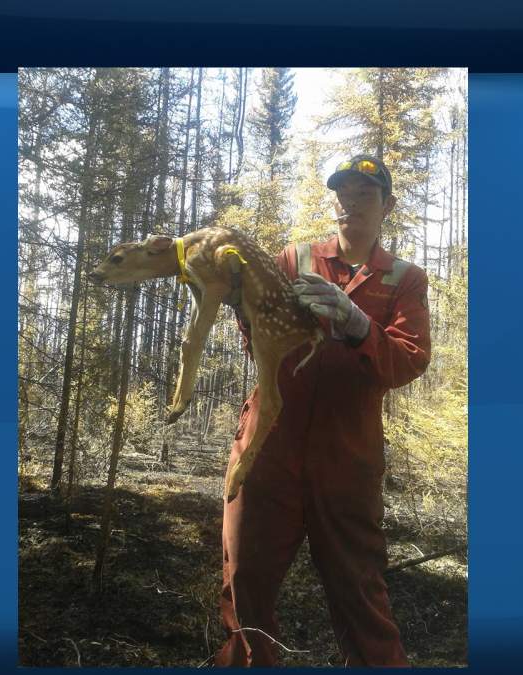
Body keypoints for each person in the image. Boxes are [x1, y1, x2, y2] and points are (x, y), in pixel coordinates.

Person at [215, 154, 432, 667]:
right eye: (343, 193)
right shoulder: (296, 259)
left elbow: (409, 361)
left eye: (365, 194)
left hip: (346, 456)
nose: (351, 203)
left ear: (388, 205)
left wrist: (358, 324)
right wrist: (240, 303)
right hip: (269, 444)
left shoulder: (404, 279)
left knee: (359, 590)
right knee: (244, 581)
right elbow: (262, 341)